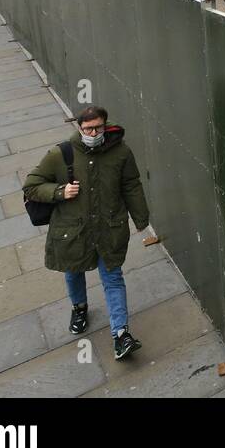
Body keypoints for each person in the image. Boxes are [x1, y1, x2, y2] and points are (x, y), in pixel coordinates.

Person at [23, 106, 150, 360]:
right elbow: (31, 185)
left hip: (108, 228)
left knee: (113, 277)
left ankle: (121, 334)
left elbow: (131, 184)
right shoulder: (61, 154)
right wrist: (60, 192)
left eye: (98, 127)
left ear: (105, 125)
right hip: (74, 230)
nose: (94, 132)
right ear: (79, 128)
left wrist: (141, 217)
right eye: (88, 128)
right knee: (73, 271)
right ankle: (79, 308)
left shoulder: (121, 152)